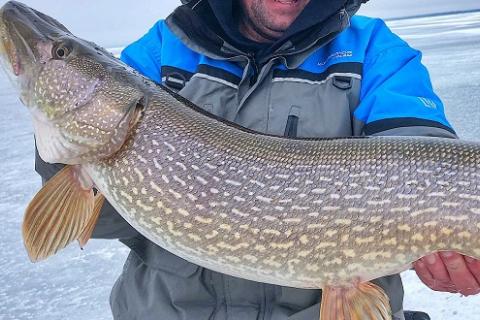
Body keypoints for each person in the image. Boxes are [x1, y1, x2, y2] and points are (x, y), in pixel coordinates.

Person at [35, 0, 480, 319]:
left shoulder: (375, 52)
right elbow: (106, 222)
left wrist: (446, 245)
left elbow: (420, 158)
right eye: (61, 55)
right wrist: (64, 154)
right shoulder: (159, 55)